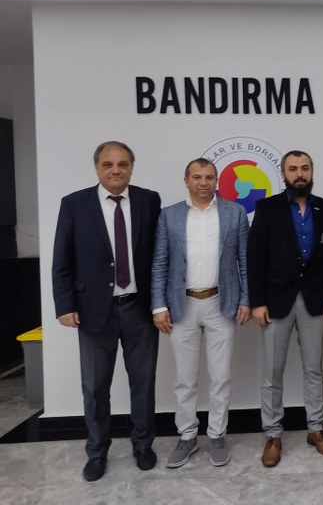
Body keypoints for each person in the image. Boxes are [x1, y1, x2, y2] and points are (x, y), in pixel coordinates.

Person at [52, 141, 161, 482]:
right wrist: (65, 305)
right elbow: (62, 260)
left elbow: (159, 255)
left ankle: (143, 445)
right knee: (95, 387)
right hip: (93, 312)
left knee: (143, 383)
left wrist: (161, 302)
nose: (116, 170)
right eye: (108, 164)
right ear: (97, 167)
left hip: (139, 310)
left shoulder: (148, 200)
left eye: (123, 164)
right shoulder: (74, 204)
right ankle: (97, 451)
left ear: (131, 167)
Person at [151, 158, 250, 468]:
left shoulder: (235, 213)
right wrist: (158, 305)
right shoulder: (169, 215)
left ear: (216, 180)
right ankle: (187, 436)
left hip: (222, 303)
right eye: (197, 177)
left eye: (209, 177)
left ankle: (217, 434)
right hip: (182, 306)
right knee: (185, 378)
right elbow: (160, 262)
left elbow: (244, 259)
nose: (203, 182)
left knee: (220, 377)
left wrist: (246, 299)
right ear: (186, 180)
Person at [247, 150, 323, 468]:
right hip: (275, 301)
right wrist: (257, 301)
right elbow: (255, 257)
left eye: (304, 168)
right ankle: (273, 435)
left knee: (314, 369)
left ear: (312, 172)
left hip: (314, 299)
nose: (299, 174)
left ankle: (316, 429)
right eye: (293, 169)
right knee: (272, 372)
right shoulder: (267, 208)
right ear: (283, 173)